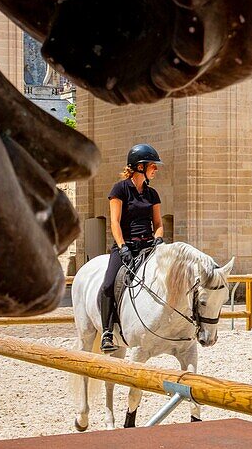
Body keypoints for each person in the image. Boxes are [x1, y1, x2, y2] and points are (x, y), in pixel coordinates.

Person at [100, 143, 166, 352]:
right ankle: (107, 332)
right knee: (109, 284)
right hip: (125, 246)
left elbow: (159, 224)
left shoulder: (152, 194)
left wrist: (158, 238)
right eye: (152, 166)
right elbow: (114, 222)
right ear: (140, 167)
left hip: (148, 246)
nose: (156, 169)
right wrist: (122, 247)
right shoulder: (119, 189)